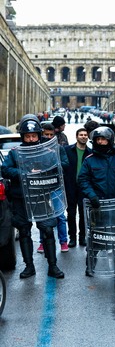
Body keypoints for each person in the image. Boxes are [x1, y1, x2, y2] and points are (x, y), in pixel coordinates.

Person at [1, 115, 66, 279]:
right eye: (28, 136)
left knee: (48, 230)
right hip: (21, 198)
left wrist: (44, 172)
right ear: (23, 136)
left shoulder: (47, 151)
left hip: (41, 196)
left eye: (34, 136)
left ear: (39, 135)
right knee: (24, 231)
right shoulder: (15, 153)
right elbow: (5, 170)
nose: (31, 139)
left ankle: (53, 266)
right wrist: (24, 174)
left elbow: (59, 167)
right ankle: (29, 266)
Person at [78, 127, 115, 276]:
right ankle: (91, 263)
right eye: (98, 140)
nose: (100, 142)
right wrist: (92, 196)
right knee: (95, 236)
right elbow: (83, 180)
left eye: (103, 139)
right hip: (97, 206)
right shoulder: (89, 160)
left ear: (109, 141)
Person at [36, 123, 70, 253]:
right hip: (40, 187)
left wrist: (54, 159)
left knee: (60, 215)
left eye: (51, 135)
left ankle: (63, 242)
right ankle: (42, 243)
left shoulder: (59, 148)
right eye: (46, 134)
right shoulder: (36, 150)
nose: (49, 137)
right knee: (42, 216)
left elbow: (66, 165)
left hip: (56, 186)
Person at [64, 128, 92, 248]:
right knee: (71, 213)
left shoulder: (90, 153)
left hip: (84, 187)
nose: (83, 137)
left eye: (85, 135)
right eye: (81, 135)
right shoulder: (67, 150)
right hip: (70, 186)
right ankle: (72, 238)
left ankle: (82, 237)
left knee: (83, 213)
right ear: (76, 137)